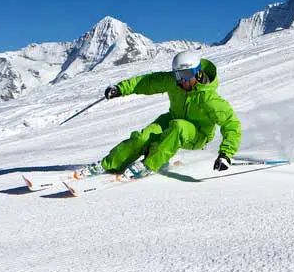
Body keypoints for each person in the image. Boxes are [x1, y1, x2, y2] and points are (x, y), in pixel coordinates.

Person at [74, 50, 242, 180]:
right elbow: (147, 82)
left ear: (197, 73)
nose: (181, 81)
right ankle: (110, 164)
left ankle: (149, 165)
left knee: (179, 127)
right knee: (143, 137)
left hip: (198, 135)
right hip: (173, 119)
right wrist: (120, 89)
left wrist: (226, 154)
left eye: (185, 76)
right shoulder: (175, 82)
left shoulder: (210, 99)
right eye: (177, 76)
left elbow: (231, 124)